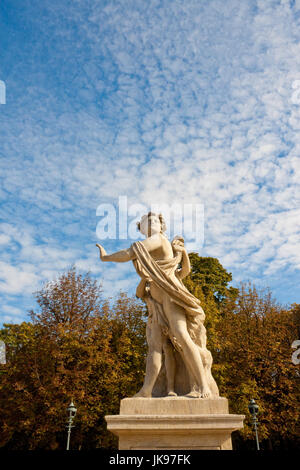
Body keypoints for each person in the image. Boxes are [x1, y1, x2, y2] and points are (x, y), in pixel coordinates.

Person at [96, 212, 219, 398]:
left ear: (162, 227)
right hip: (156, 303)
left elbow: (129, 253)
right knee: (154, 346)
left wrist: (106, 258)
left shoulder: (159, 240)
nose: (152, 223)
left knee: (183, 337)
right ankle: (146, 390)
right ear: (141, 228)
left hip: (170, 295)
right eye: (148, 221)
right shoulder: (149, 249)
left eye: (156, 221)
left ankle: (203, 387)